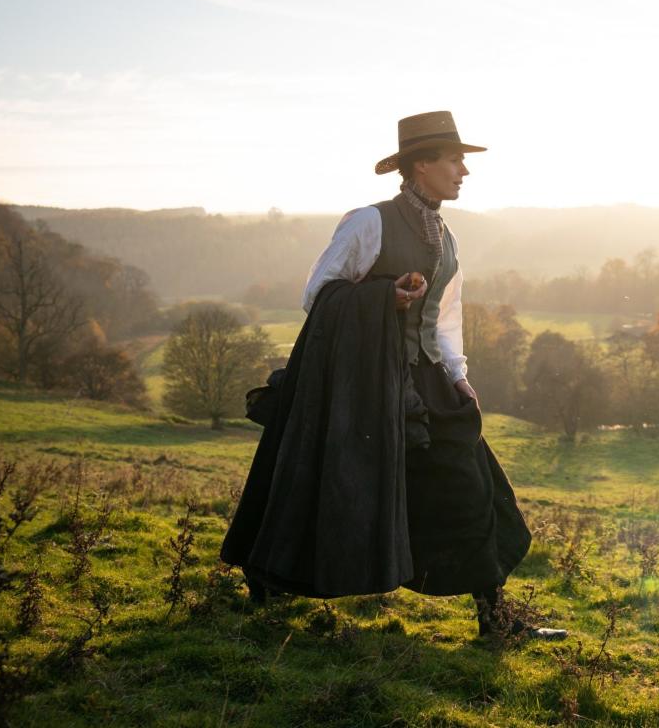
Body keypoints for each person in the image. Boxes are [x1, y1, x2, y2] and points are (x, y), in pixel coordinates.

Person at [222, 111, 565, 641]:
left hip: (425, 381)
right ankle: (268, 583)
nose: (463, 172)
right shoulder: (369, 222)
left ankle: (495, 622)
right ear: (422, 164)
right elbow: (318, 294)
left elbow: (446, 316)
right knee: (329, 482)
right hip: (363, 381)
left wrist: (456, 374)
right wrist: (384, 297)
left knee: (471, 489)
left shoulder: (447, 238)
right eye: (455, 160)